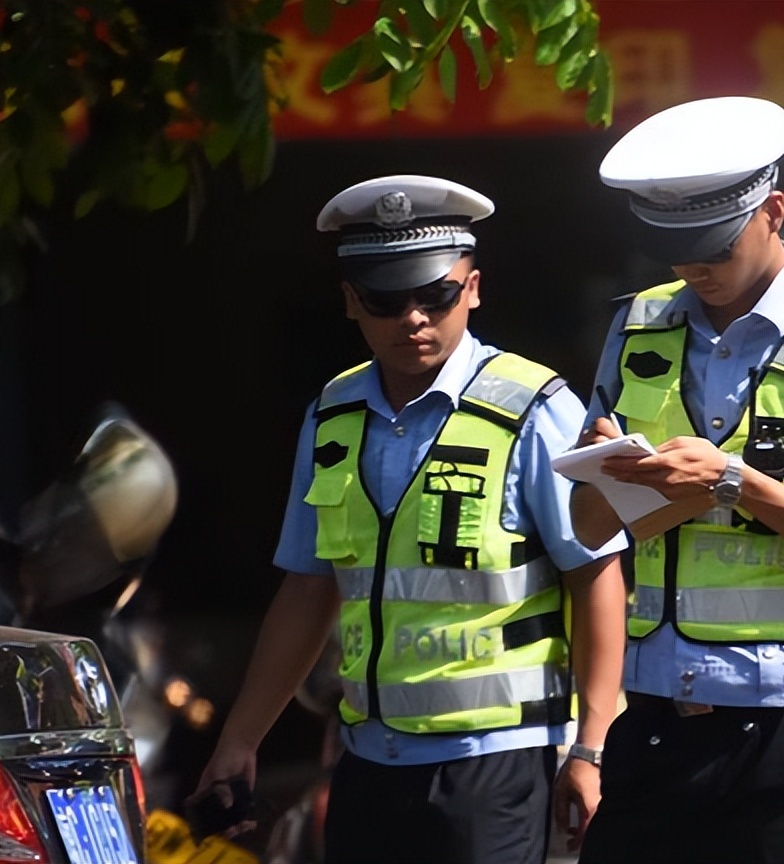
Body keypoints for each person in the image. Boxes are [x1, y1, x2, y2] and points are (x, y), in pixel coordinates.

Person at [189, 175, 628, 864]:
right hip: (369, 761)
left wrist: (591, 748)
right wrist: (240, 740)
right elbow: (309, 588)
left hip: (498, 763)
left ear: (473, 287)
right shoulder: (331, 417)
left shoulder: (534, 410)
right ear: (350, 303)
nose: (414, 318)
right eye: (387, 300)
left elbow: (596, 573)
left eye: (436, 295)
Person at [569, 96, 784, 864]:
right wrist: (620, 479)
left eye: (713, 247)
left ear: (774, 212)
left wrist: (733, 482)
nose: (695, 269)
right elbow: (587, 530)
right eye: (677, 248)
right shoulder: (635, 324)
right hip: (655, 713)